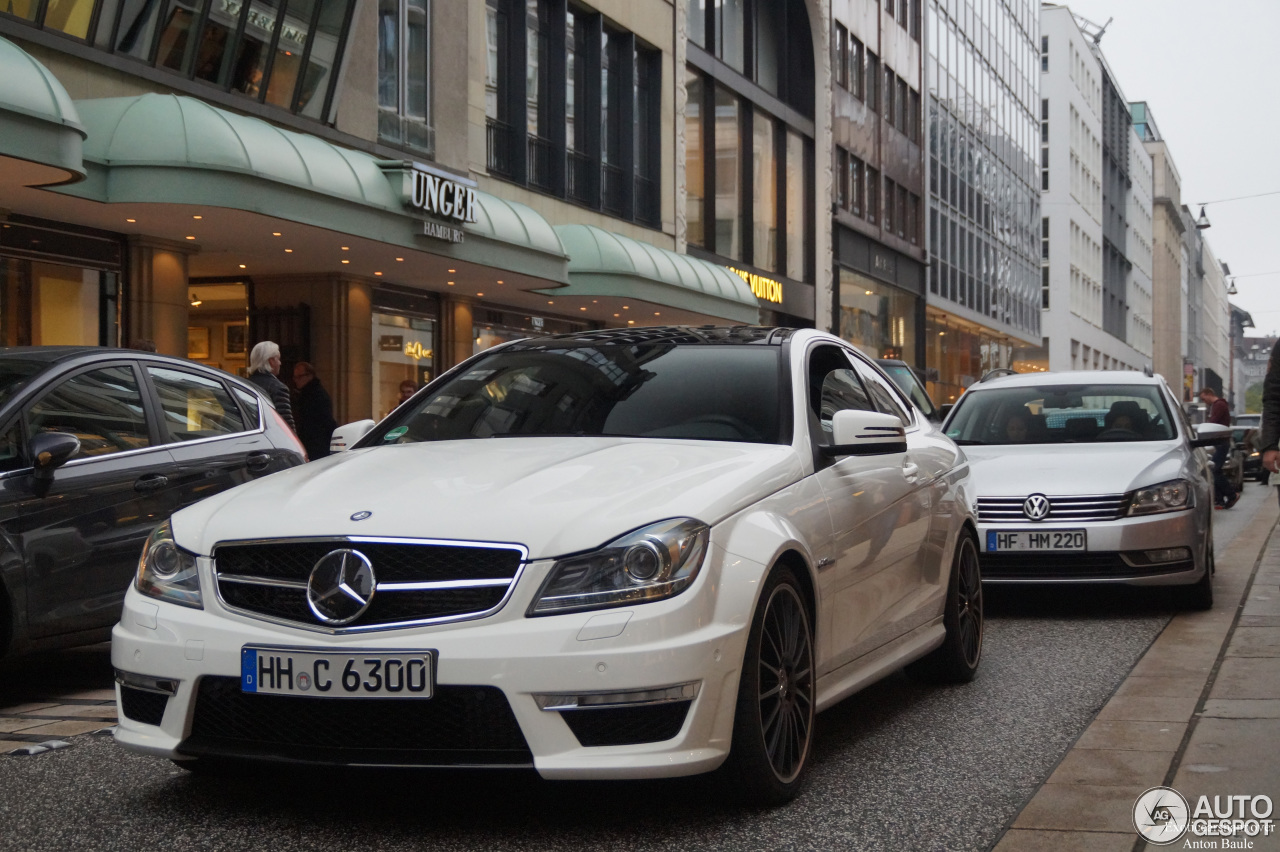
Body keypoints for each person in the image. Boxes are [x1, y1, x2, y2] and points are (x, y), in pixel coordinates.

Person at [1199, 387, 1238, 509]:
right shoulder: (1218, 405)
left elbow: (1213, 422)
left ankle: (1231, 495)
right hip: (1220, 441)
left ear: (1209, 394)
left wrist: (1205, 427)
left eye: (1203, 398)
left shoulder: (1219, 405)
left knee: (1215, 470)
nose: (1204, 401)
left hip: (1221, 441)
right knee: (1215, 470)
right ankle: (1220, 500)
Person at [246, 341, 296, 434]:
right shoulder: (278, 388)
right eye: (278, 359)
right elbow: (286, 424)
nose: (280, 363)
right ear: (271, 361)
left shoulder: (243, 385)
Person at [292, 361, 337, 461]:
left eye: (300, 376)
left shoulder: (316, 395)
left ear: (310, 376)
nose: (296, 380)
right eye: (295, 377)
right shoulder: (304, 395)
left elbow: (325, 422)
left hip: (316, 446)